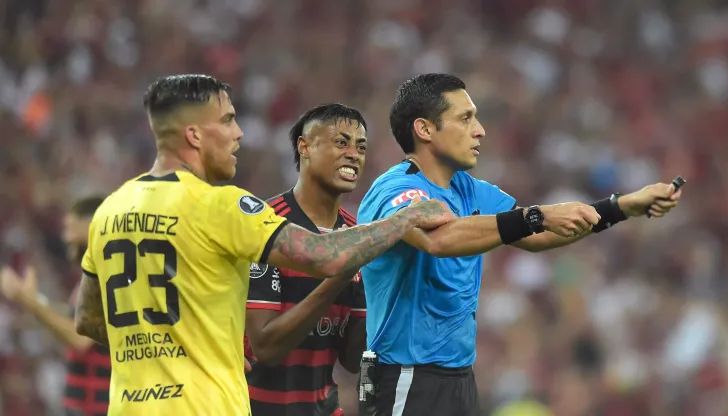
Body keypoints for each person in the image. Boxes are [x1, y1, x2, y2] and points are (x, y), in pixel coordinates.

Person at [74, 74, 452, 416]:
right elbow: (322, 255)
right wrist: (405, 218)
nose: (239, 133)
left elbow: (89, 319)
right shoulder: (220, 206)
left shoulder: (112, 208)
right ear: (194, 135)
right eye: (227, 121)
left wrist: (182, 344)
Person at [356, 73, 683, 416]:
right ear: (424, 129)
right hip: (404, 376)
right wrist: (536, 216)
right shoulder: (394, 188)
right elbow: (437, 238)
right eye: (465, 118)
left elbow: (538, 235)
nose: (479, 129)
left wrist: (622, 206)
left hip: (458, 377)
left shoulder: (470, 189)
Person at [244, 103, 369, 416]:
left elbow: (353, 361)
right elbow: (266, 347)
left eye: (361, 146)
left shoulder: (359, 235)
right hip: (253, 407)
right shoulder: (266, 226)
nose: (354, 154)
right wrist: (338, 275)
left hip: (323, 407)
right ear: (305, 146)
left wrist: (384, 285)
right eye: (341, 142)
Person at [1, 196, 111, 416]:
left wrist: (29, 302)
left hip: (99, 406)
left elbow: (80, 338)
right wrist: (37, 301)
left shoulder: (105, 275)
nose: (65, 236)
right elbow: (76, 319)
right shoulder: (93, 276)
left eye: (71, 228)